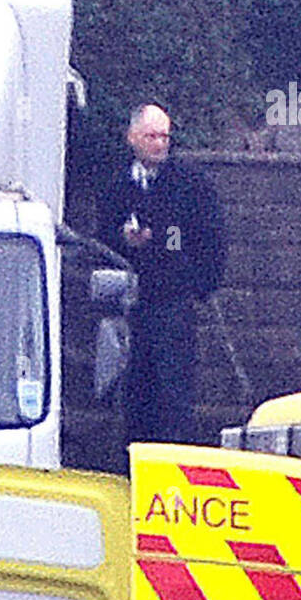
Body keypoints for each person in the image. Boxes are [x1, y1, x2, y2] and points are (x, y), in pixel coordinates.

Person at [97, 102, 225, 444]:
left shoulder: (190, 184)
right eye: (151, 136)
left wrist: (165, 245)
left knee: (173, 394)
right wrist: (124, 238)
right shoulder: (114, 183)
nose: (159, 144)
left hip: (172, 302)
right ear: (132, 138)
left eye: (164, 137)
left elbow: (203, 238)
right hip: (127, 304)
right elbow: (101, 234)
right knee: (132, 392)